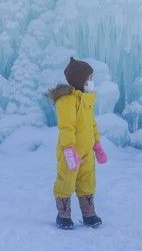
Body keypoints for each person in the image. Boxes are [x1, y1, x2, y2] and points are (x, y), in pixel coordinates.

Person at [46, 57, 108, 230]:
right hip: (71, 151)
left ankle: (88, 212)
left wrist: (97, 144)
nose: (91, 81)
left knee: (87, 180)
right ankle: (63, 214)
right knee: (66, 180)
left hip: (87, 150)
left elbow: (92, 124)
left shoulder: (87, 99)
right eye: (89, 78)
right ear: (80, 79)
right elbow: (66, 127)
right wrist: (68, 150)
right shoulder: (66, 101)